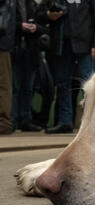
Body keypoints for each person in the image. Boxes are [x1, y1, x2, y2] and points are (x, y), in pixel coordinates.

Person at [39, 0, 95, 134]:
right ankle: (65, 121)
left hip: (85, 45)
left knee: (89, 84)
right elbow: (40, 14)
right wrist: (49, 15)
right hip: (61, 45)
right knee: (62, 83)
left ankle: (93, 121)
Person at [11, 0, 49, 132]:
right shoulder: (10, 4)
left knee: (28, 86)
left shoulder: (33, 5)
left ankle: (25, 119)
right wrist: (19, 26)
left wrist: (36, 28)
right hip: (14, 47)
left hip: (31, 49)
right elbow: (6, 23)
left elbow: (45, 27)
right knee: (14, 86)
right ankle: (13, 119)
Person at [0, 0, 16, 135]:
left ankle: (4, 122)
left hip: (2, 43)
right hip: (5, 42)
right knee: (4, 84)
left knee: (4, 84)